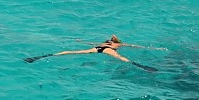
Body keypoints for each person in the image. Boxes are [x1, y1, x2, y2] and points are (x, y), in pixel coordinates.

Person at [24, 35, 163, 72]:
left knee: (71, 52)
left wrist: (80, 41)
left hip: (96, 48)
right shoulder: (118, 44)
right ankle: (141, 66)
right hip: (107, 51)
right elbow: (134, 46)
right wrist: (153, 48)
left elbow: (90, 43)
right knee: (121, 58)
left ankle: (43, 56)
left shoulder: (104, 42)